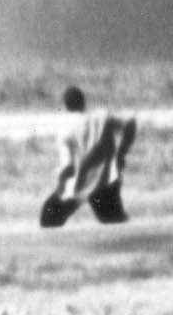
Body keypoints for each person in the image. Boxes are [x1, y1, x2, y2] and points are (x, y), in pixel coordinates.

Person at [40, 85, 137, 227]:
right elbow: (130, 123)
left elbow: (68, 166)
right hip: (106, 182)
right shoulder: (102, 117)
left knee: (48, 218)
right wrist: (121, 153)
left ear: (65, 106)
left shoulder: (65, 130)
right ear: (83, 102)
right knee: (115, 222)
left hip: (79, 184)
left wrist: (60, 184)